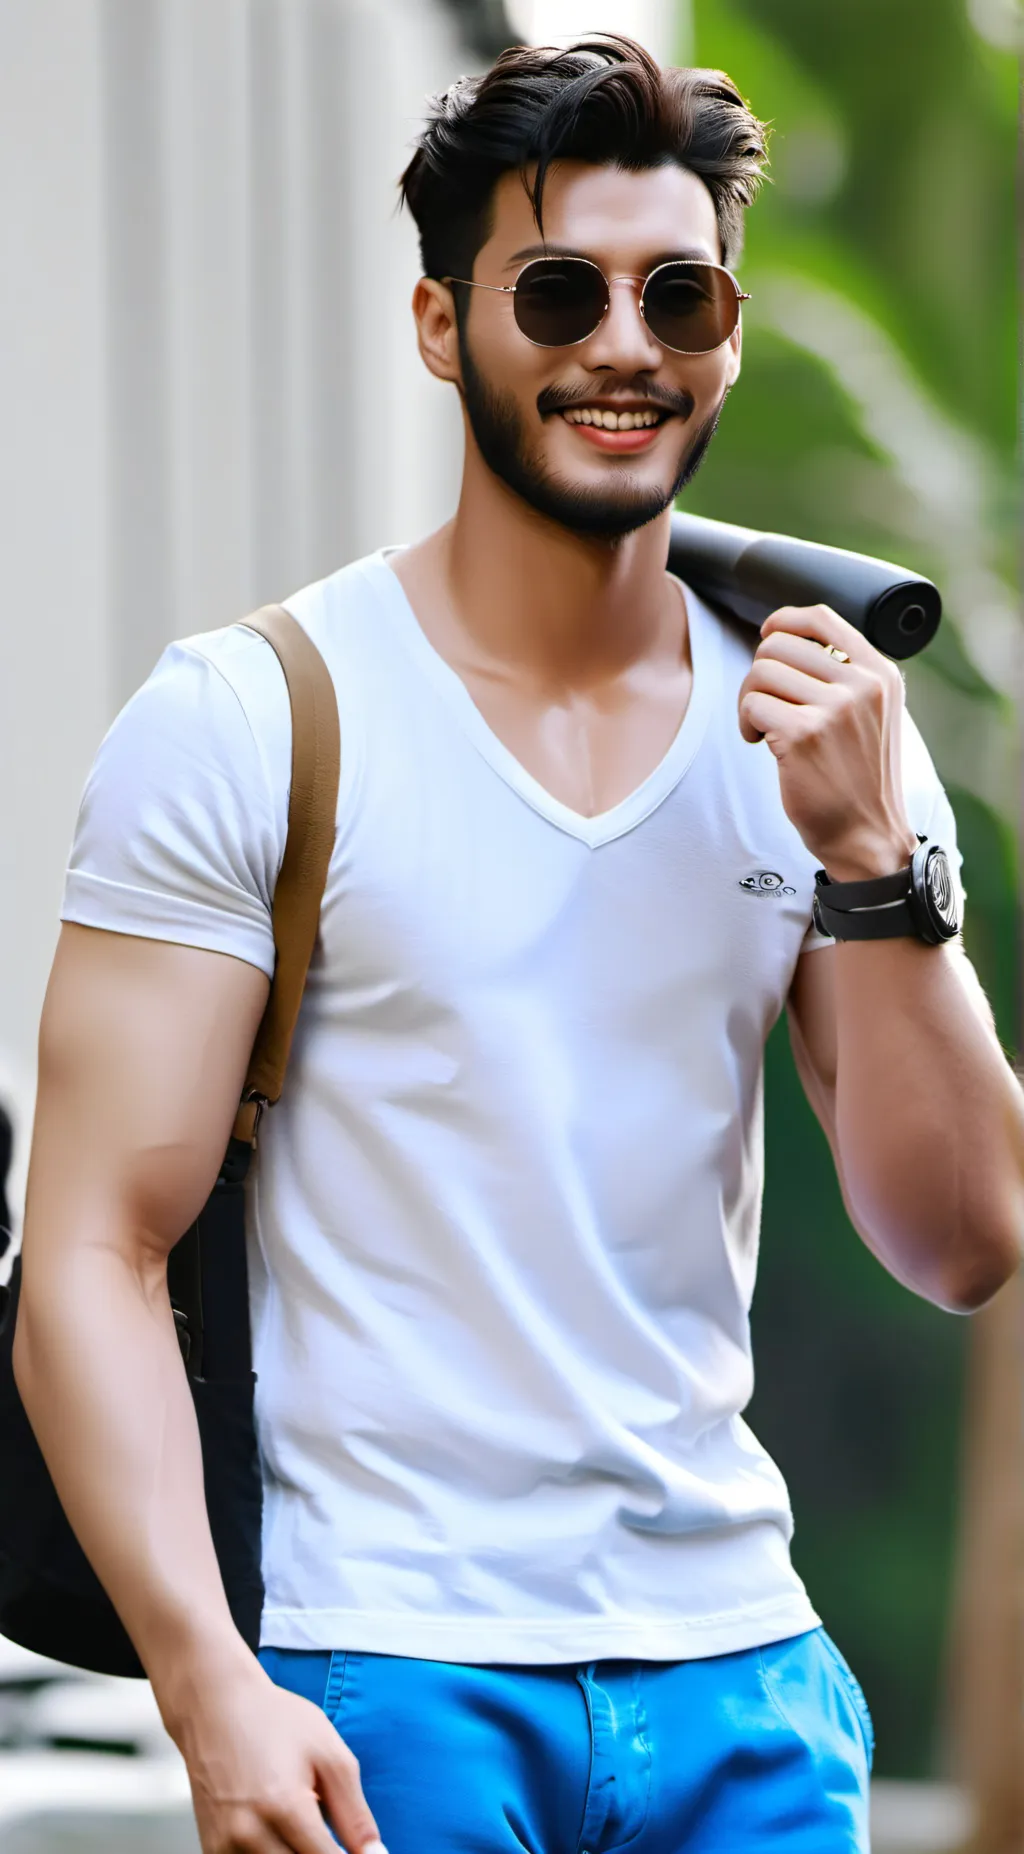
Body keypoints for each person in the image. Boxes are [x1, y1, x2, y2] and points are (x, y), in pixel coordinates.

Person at [13, 34, 1024, 1854]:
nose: (625, 343)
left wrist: (876, 861)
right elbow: (94, 1247)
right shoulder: (254, 718)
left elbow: (961, 1240)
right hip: (387, 1675)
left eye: (678, 295)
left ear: (727, 330)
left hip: (746, 1685)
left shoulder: (826, 734)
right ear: (439, 324)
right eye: (560, 290)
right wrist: (208, 1684)